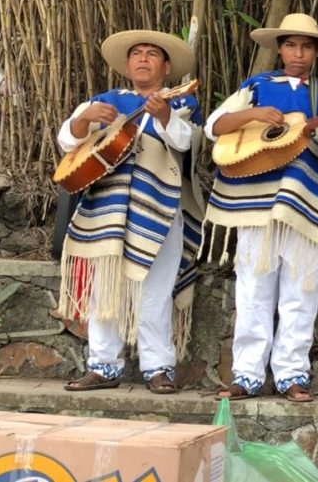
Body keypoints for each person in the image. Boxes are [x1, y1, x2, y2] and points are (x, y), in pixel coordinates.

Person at [204, 13, 318, 402]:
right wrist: (254, 114)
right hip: (257, 202)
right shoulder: (257, 86)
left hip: (307, 203)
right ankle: (247, 375)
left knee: (300, 291)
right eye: (291, 45)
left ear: (316, 52)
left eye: (306, 46)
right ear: (279, 48)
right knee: (253, 289)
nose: (298, 53)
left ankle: (292, 374)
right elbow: (214, 126)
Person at [58, 30, 204, 394]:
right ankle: (104, 366)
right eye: (136, 53)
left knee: (155, 289)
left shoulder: (180, 102)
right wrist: (84, 119)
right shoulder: (105, 101)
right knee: (104, 286)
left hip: (159, 205)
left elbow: (187, 142)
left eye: (152, 54)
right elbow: (67, 141)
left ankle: (157, 368)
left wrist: (165, 116)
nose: (142, 59)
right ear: (127, 65)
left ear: (166, 66)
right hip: (105, 206)